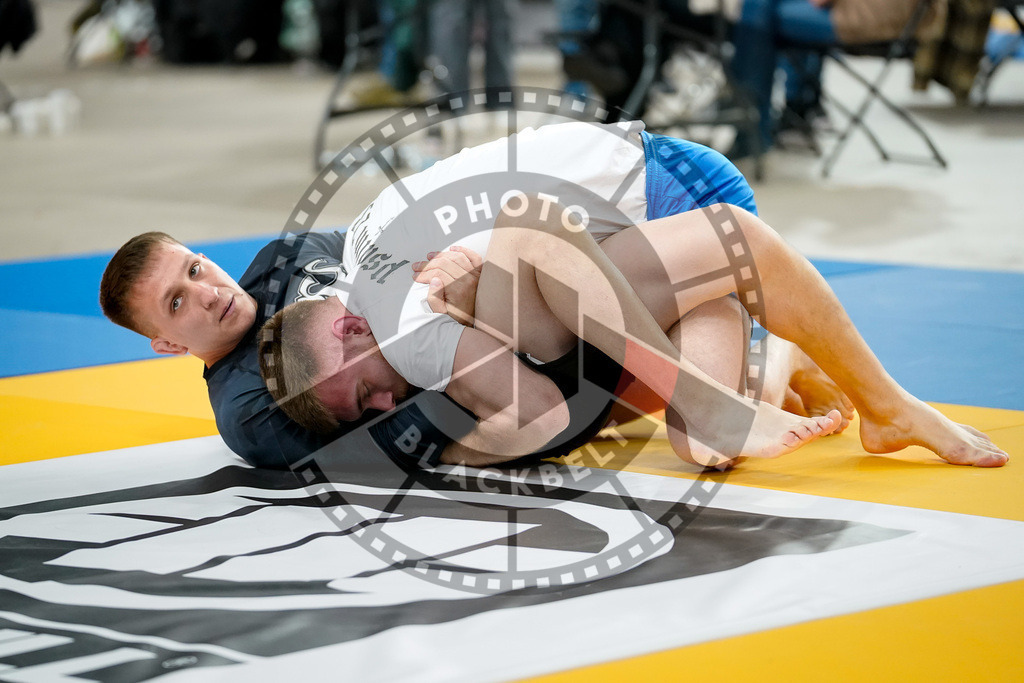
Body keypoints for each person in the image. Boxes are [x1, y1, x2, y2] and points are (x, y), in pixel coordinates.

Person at [99, 121, 759, 469]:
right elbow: (391, 432)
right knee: (701, 440)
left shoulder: (279, 260)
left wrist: (455, 285)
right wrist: (475, 394)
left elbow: (394, 242)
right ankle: (747, 341)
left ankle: (737, 327)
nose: (205, 292)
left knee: (699, 418)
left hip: (609, 233)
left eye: (194, 269)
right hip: (549, 354)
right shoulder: (248, 407)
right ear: (166, 343)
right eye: (176, 303)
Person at [260, 191, 1007, 469]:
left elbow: (540, 411)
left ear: (352, 329)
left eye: (365, 393)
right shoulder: (392, 335)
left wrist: (449, 450)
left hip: (652, 200)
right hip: (620, 312)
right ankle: (776, 350)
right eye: (366, 413)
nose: (384, 408)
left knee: (530, 239)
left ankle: (888, 404)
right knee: (706, 449)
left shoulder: (404, 318)